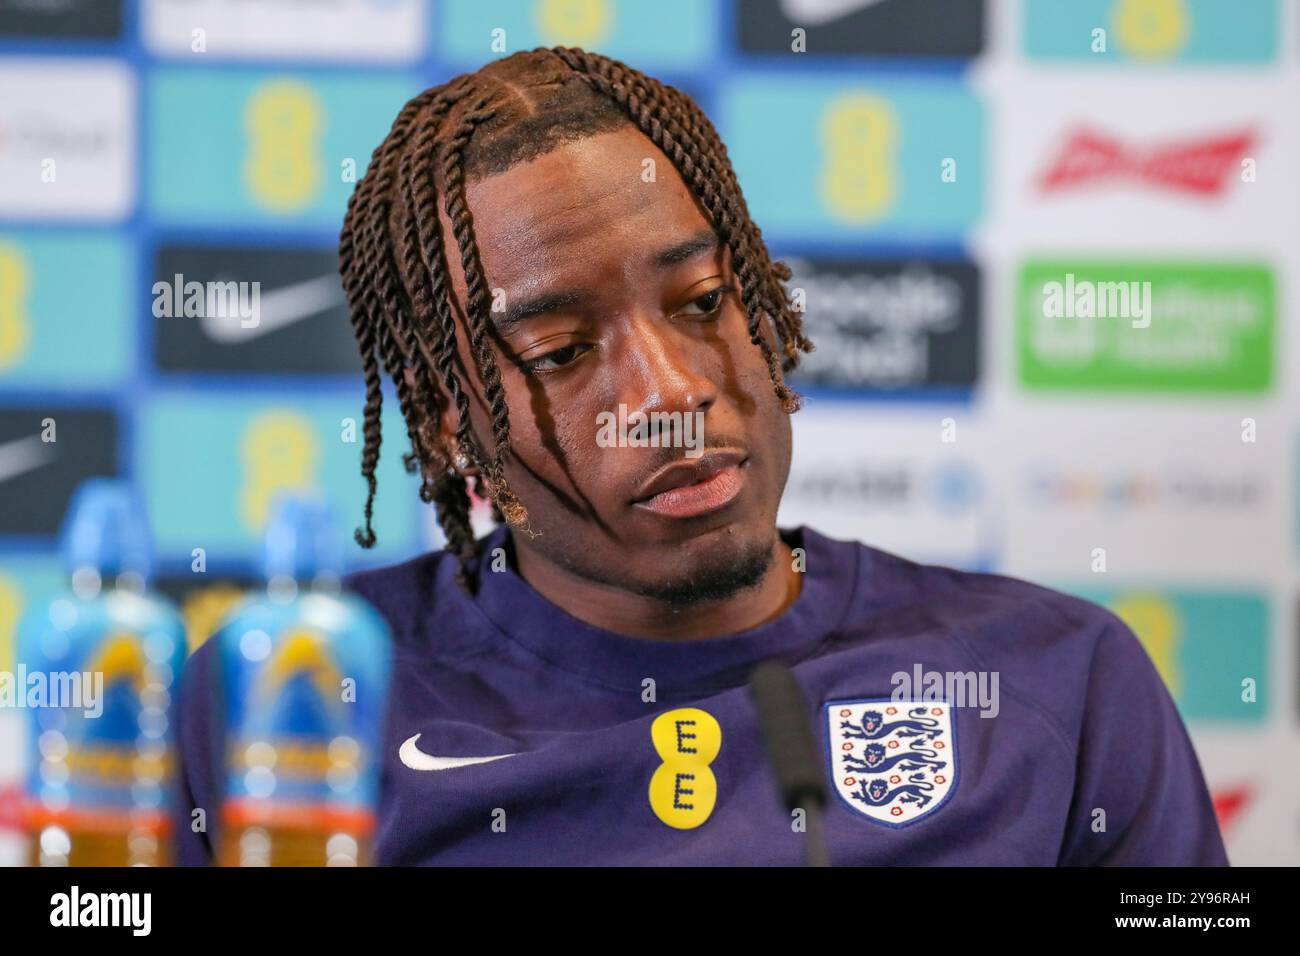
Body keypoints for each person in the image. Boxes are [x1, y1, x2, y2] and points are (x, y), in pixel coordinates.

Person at [175, 47, 1227, 865]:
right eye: (561, 350)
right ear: (450, 424)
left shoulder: (1059, 678)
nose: (671, 393)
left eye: (704, 301)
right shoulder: (286, 695)